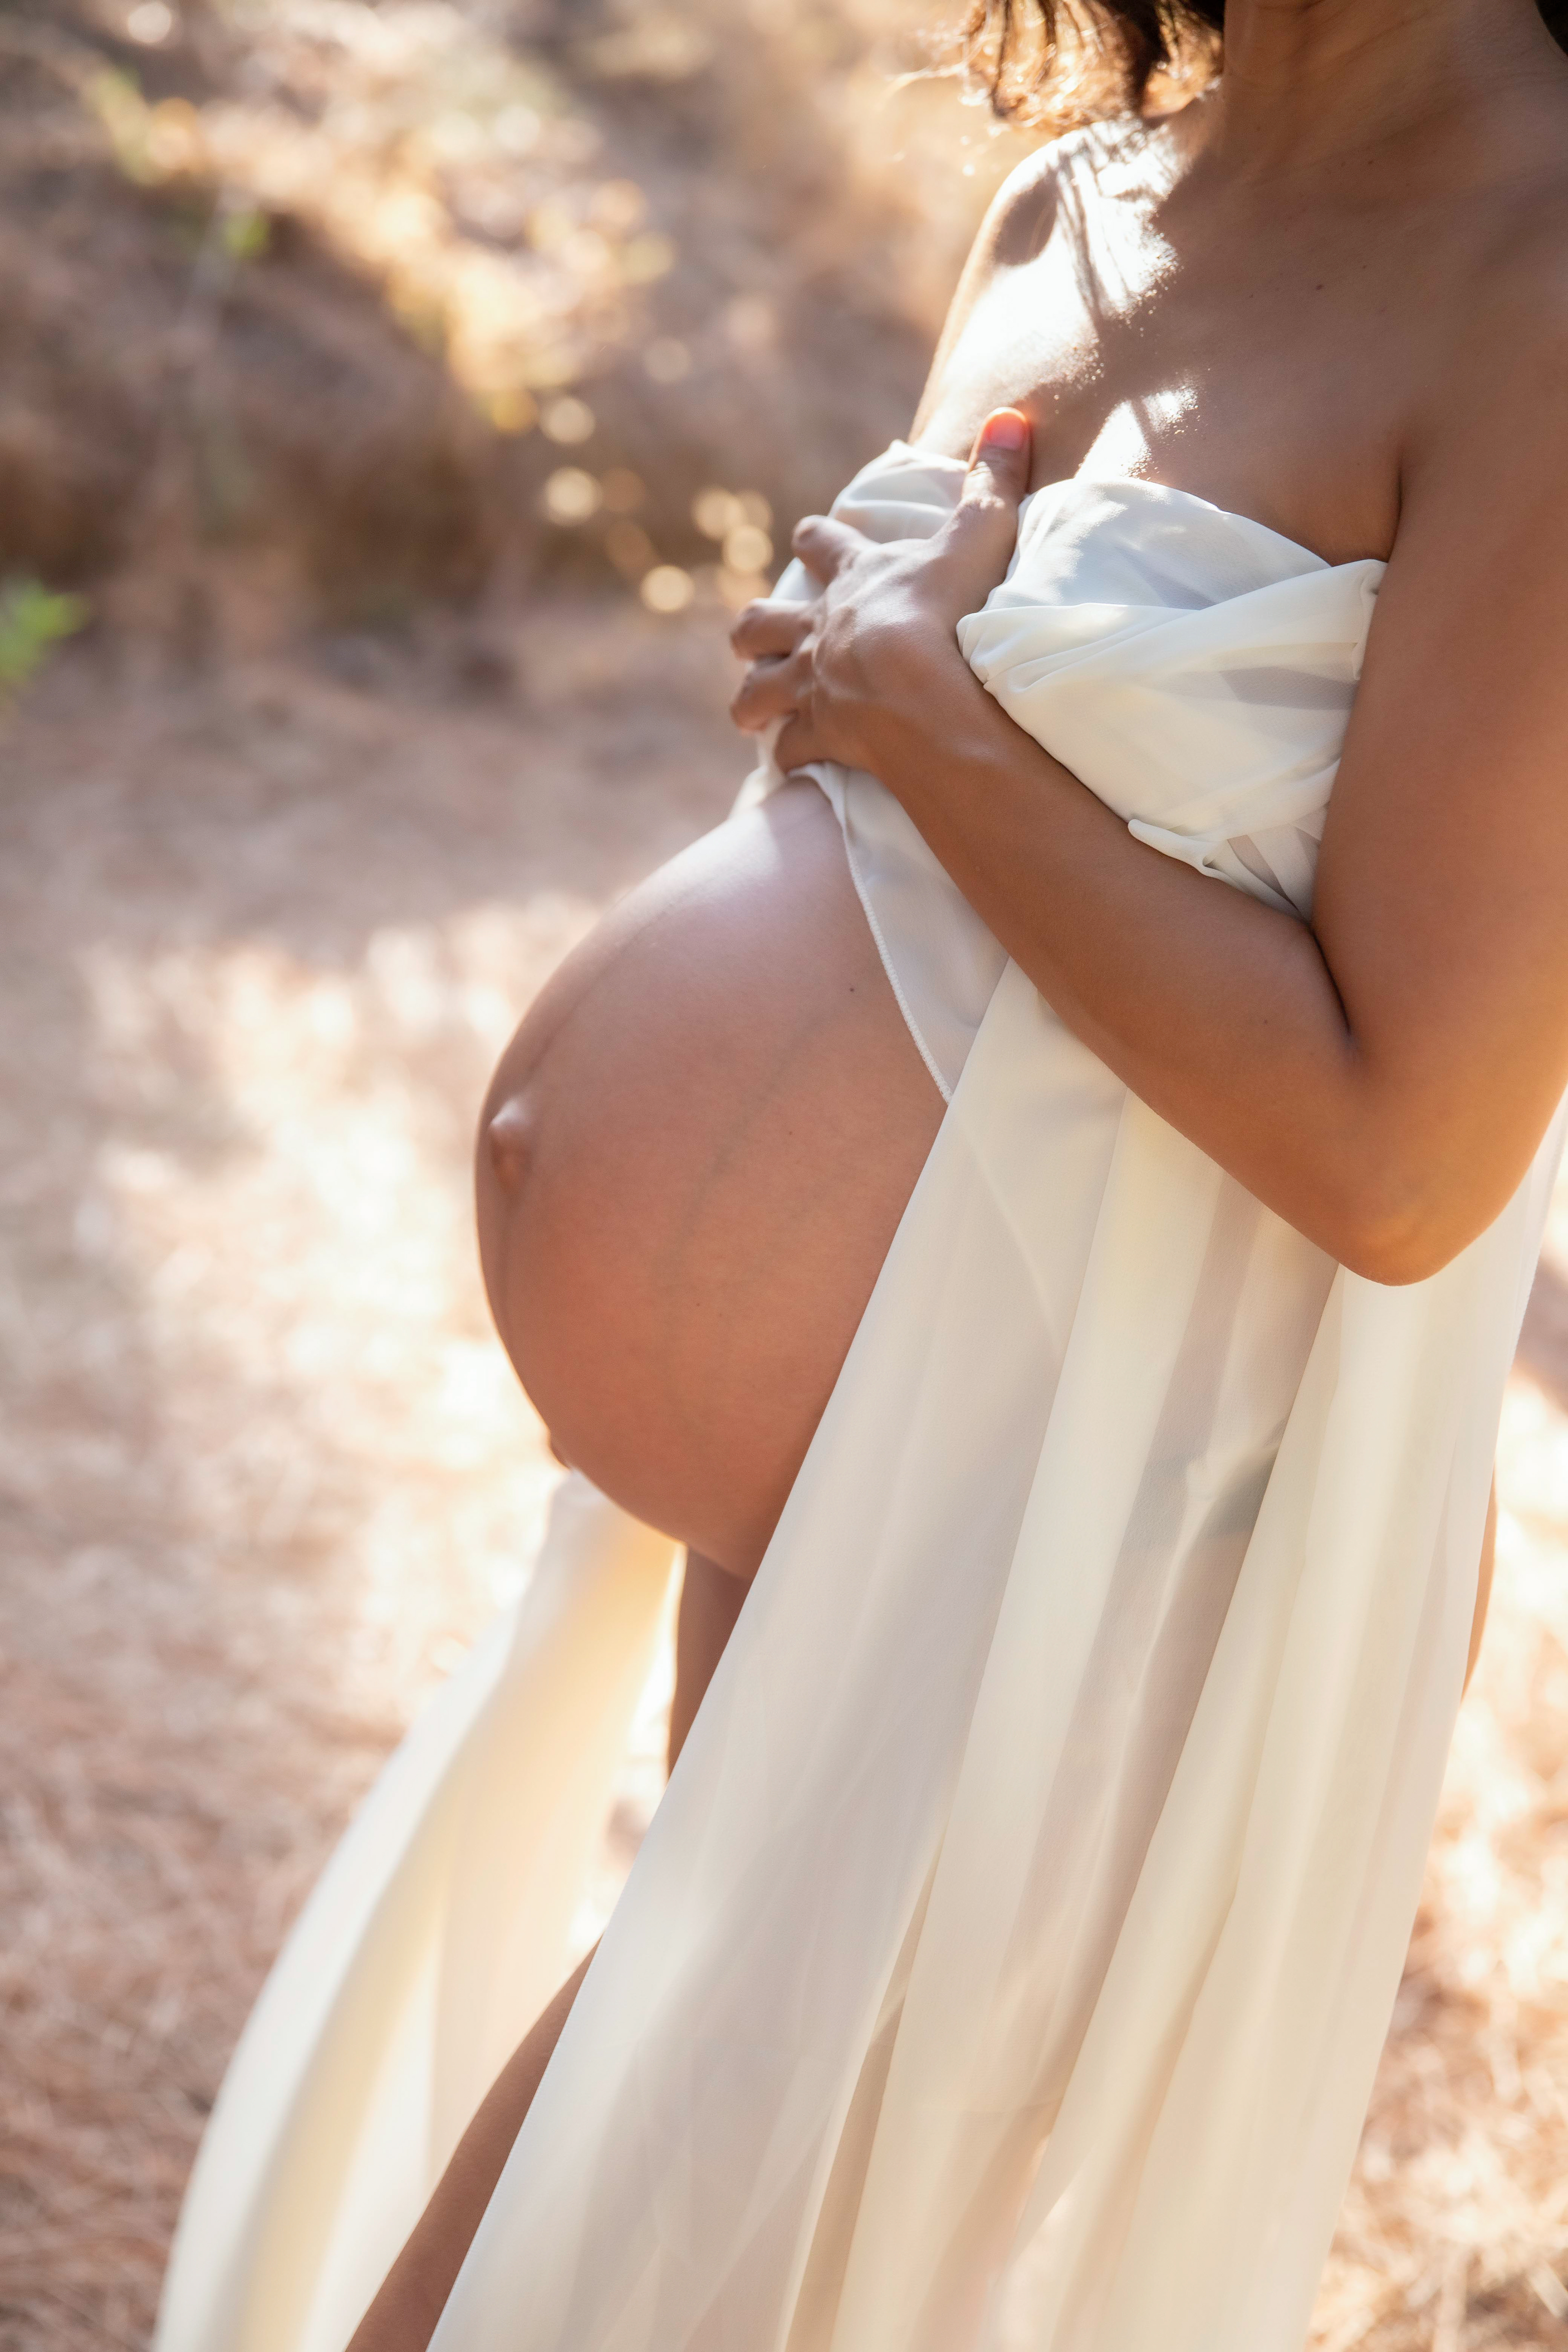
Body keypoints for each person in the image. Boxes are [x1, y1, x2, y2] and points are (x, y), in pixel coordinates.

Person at [155, 0, 1568, 2346]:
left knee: (619, 2244)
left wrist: (926, 713)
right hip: (848, 1464)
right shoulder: (1073, 206)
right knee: (703, 2241)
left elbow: (1407, 1153)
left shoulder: (1537, 280)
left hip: (1089, 1513)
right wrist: (843, 694)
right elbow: (905, 805)